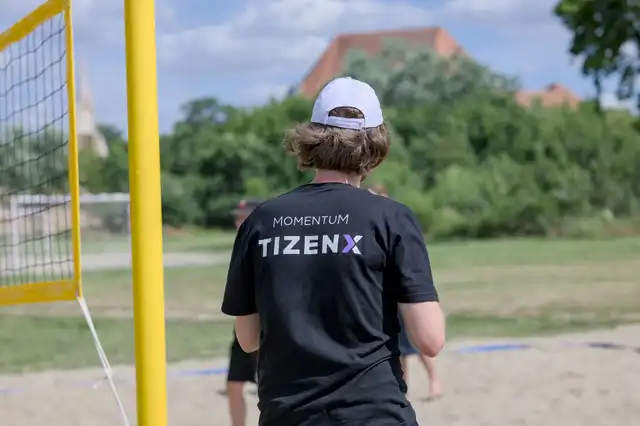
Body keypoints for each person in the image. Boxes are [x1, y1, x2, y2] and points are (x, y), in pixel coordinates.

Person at [222, 77, 445, 426]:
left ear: (312, 137)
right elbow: (430, 340)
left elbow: (248, 339)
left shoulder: (261, 220)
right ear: (376, 142)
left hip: (288, 415)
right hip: (373, 414)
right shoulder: (391, 217)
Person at [368, 184, 443, 402]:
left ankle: (434, 380)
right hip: (385, 296)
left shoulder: (396, 219)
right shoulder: (376, 222)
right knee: (397, 347)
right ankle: (403, 388)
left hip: (403, 295)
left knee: (419, 341)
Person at [224, 198, 263, 426]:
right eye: (237, 218)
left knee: (269, 386)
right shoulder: (243, 243)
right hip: (245, 321)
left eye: (243, 217)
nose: (239, 222)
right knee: (234, 383)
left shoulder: (267, 241)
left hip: (267, 323)